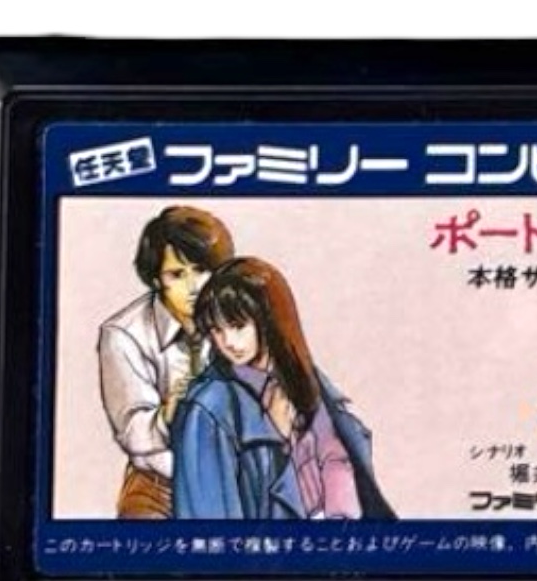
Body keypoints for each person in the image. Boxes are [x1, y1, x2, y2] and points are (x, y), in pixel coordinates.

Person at [172, 257, 395, 521]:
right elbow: (208, 521)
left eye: (238, 326)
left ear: (267, 320)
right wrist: (279, 440)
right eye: (216, 330)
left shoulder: (302, 377)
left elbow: (334, 454)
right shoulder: (209, 408)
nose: (228, 341)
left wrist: (340, 522)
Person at [98, 207, 235, 518]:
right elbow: (132, 432)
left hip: (232, 479)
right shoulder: (124, 334)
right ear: (156, 279)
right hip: (160, 485)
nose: (194, 286)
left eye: (201, 270)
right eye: (177, 274)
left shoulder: (237, 318)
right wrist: (168, 414)